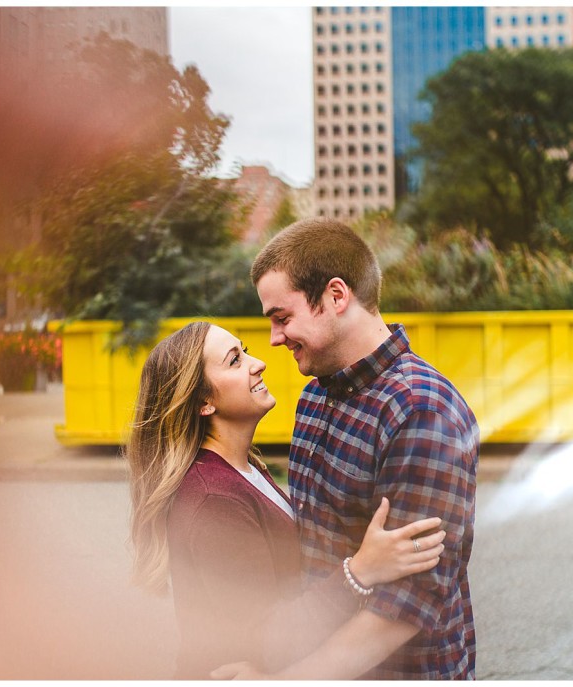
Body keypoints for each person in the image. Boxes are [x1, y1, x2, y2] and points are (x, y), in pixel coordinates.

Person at [215, 218, 479, 680]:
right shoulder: (314, 396)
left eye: (282, 317)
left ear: (337, 297)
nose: (275, 338)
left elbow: (402, 610)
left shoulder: (421, 411)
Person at [126, 321, 448, 679]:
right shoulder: (214, 499)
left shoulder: (242, 469)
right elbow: (264, 636)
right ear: (204, 402)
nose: (257, 362)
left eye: (244, 350)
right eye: (234, 360)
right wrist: (360, 571)